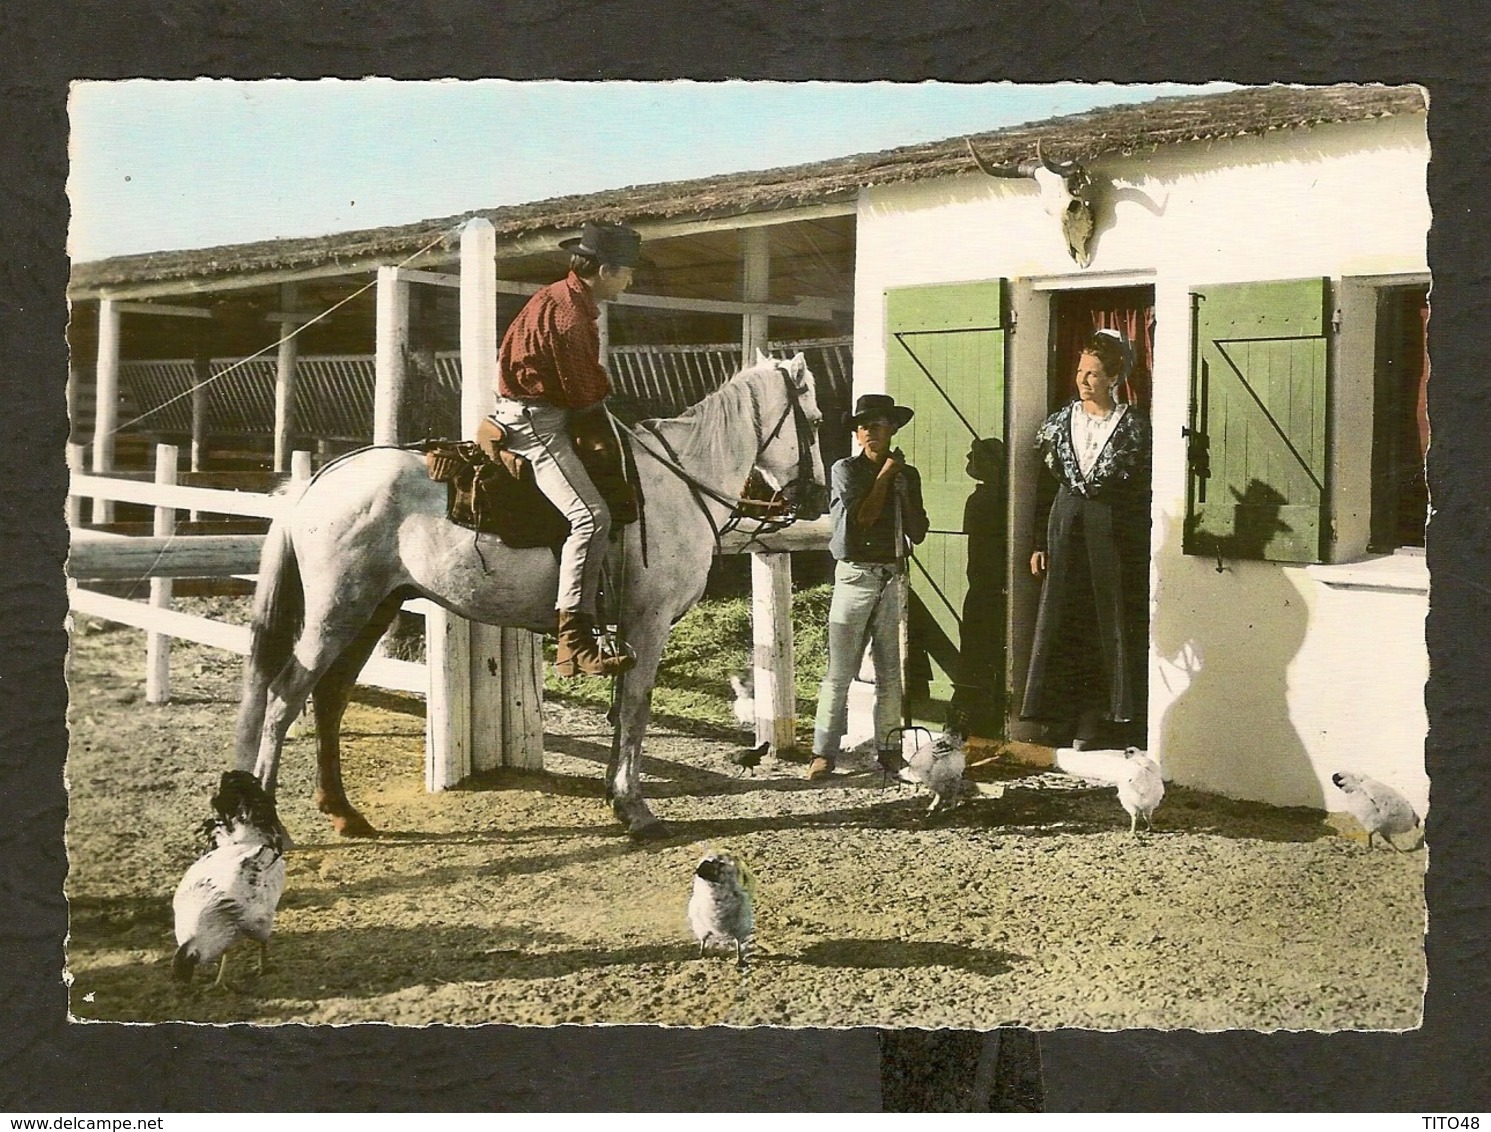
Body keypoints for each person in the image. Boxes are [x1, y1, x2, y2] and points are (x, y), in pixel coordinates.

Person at [491, 221, 641, 678]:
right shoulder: (572, 317)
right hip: (538, 424)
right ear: (605, 270)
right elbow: (582, 393)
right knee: (591, 517)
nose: (630, 281)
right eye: (627, 272)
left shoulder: (557, 295)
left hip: (526, 409)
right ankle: (573, 638)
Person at [1020, 328, 1152, 750]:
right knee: (1062, 619)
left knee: (1103, 621)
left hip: (1110, 532)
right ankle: (1059, 716)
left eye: (1093, 373)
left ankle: (1097, 721)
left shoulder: (1131, 427)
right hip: (1065, 526)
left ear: (1113, 378)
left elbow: (1140, 493)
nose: (1083, 380)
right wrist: (1039, 541)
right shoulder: (1060, 423)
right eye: (1080, 371)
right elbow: (1044, 486)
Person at [808, 393, 930, 781]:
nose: (869, 433)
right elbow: (863, 517)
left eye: (877, 425)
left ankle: (890, 750)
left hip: (892, 575)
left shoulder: (906, 476)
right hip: (855, 575)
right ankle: (823, 753)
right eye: (863, 427)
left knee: (891, 672)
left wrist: (904, 491)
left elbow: (918, 532)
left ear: (892, 429)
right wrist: (886, 477)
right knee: (840, 672)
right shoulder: (845, 470)